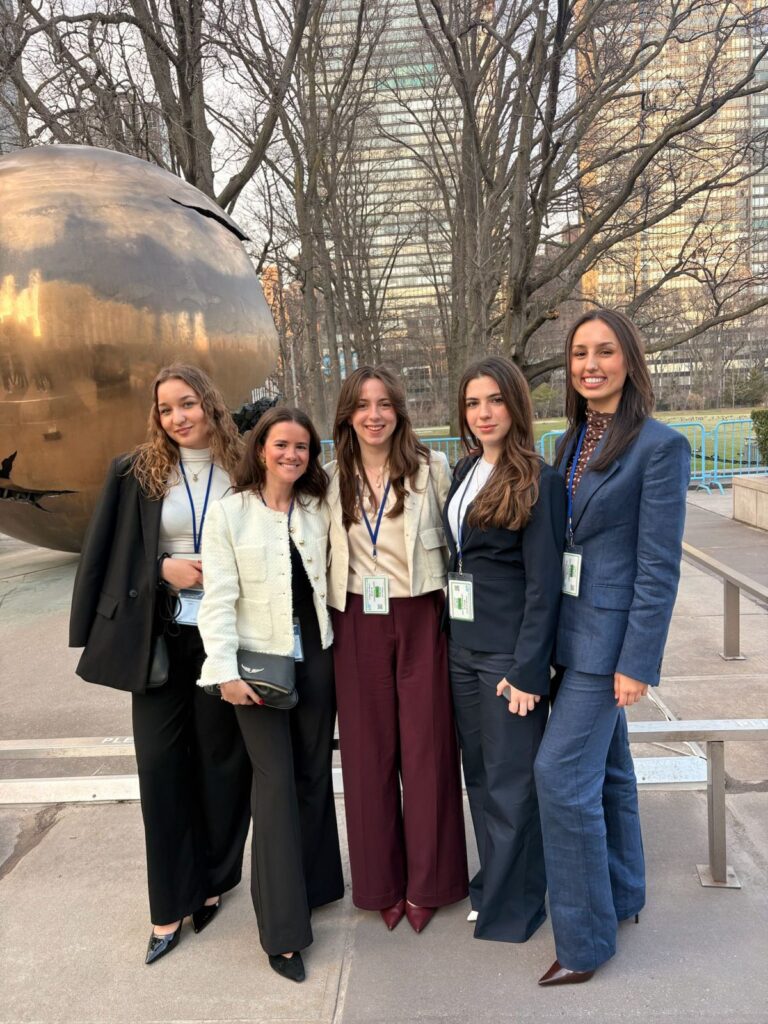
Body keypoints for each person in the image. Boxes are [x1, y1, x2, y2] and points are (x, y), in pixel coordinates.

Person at [69, 364, 252, 965]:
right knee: (160, 768)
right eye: (166, 408)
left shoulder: (242, 466)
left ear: (210, 403)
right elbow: (105, 556)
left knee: (223, 766)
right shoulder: (136, 472)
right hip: (162, 637)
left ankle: (213, 880)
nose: (177, 417)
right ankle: (168, 905)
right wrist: (161, 570)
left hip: (225, 638)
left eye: (187, 403)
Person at [534, 309, 691, 986]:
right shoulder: (569, 441)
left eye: (604, 351)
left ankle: (584, 942)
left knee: (560, 777)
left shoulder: (660, 447)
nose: (590, 365)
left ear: (629, 359)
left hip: (609, 646)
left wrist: (637, 662)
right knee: (611, 773)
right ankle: (623, 895)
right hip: (569, 634)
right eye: (578, 354)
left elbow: (658, 567)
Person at [196, 407, 343, 983]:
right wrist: (222, 670)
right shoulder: (230, 513)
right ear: (261, 448)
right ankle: (282, 933)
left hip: (317, 660)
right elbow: (217, 598)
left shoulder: (316, 506)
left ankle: (316, 886)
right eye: (281, 444)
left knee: (312, 775)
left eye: (302, 447)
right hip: (257, 668)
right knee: (275, 785)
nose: (291, 455)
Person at [327, 365, 468, 933]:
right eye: (363, 405)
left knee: (428, 749)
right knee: (367, 756)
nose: (374, 415)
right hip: (356, 619)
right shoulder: (328, 478)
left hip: (420, 614)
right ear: (348, 416)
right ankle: (380, 883)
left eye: (384, 404)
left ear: (399, 411)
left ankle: (431, 882)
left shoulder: (432, 469)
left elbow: (462, 543)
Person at [444, 356, 566, 943]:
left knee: (512, 783)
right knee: (479, 775)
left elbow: (545, 586)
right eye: (473, 403)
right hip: (461, 648)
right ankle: (494, 883)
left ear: (515, 404)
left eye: (494, 400)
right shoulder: (465, 468)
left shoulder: (540, 480)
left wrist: (528, 670)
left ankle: (516, 907)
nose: (483, 413)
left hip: (507, 657)